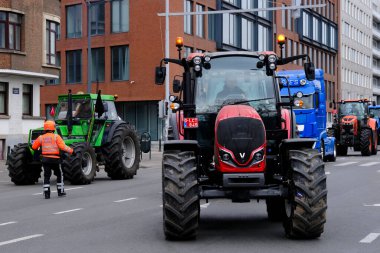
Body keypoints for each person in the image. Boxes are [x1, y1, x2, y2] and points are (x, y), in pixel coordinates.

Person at [32, 120, 74, 199]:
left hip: (45, 160)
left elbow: (34, 147)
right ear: (53, 128)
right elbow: (63, 147)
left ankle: (47, 194)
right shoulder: (56, 137)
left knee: (46, 176)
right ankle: (60, 192)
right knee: (59, 175)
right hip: (55, 159)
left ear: (45, 129)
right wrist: (72, 151)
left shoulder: (41, 137)